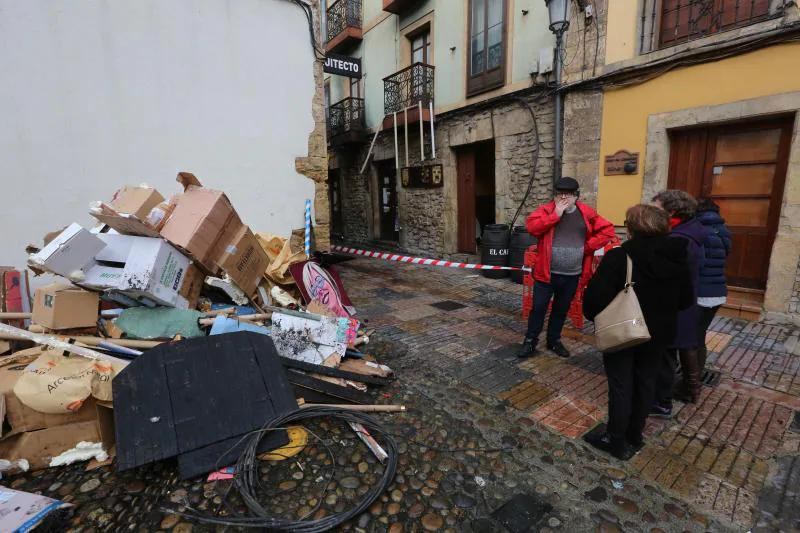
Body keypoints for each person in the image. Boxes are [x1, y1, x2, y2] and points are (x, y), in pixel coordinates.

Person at [583, 204, 693, 460]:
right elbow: (686, 300)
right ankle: (635, 434)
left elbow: (594, 299)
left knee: (621, 384)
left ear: (632, 228)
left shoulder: (620, 257)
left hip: (625, 328)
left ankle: (616, 439)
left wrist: (596, 317)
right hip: (660, 333)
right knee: (646, 382)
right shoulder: (677, 256)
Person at [517, 177, 615, 359]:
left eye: (568, 194)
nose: (563, 197)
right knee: (538, 309)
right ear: (554, 195)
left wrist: (586, 248)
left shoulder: (586, 213)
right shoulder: (546, 210)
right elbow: (533, 228)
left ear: (576, 196)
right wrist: (556, 215)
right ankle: (530, 342)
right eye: (559, 193)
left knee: (561, 310)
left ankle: (554, 340)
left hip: (572, 274)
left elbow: (608, 230)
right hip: (545, 275)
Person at [651, 190, 709, 416]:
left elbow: (664, 276)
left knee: (664, 357)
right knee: (669, 354)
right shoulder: (688, 231)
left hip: (672, 309)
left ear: (671, 211)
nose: (653, 212)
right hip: (680, 305)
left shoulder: (679, 239)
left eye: (656, 208)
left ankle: (661, 403)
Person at [695, 198, 732, 372]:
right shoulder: (724, 230)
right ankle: (696, 376)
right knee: (699, 334)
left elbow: (697, 262)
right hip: (718, 290)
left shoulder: (697, 230)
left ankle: (691, 381)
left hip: (700, 290)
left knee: (690, 337)